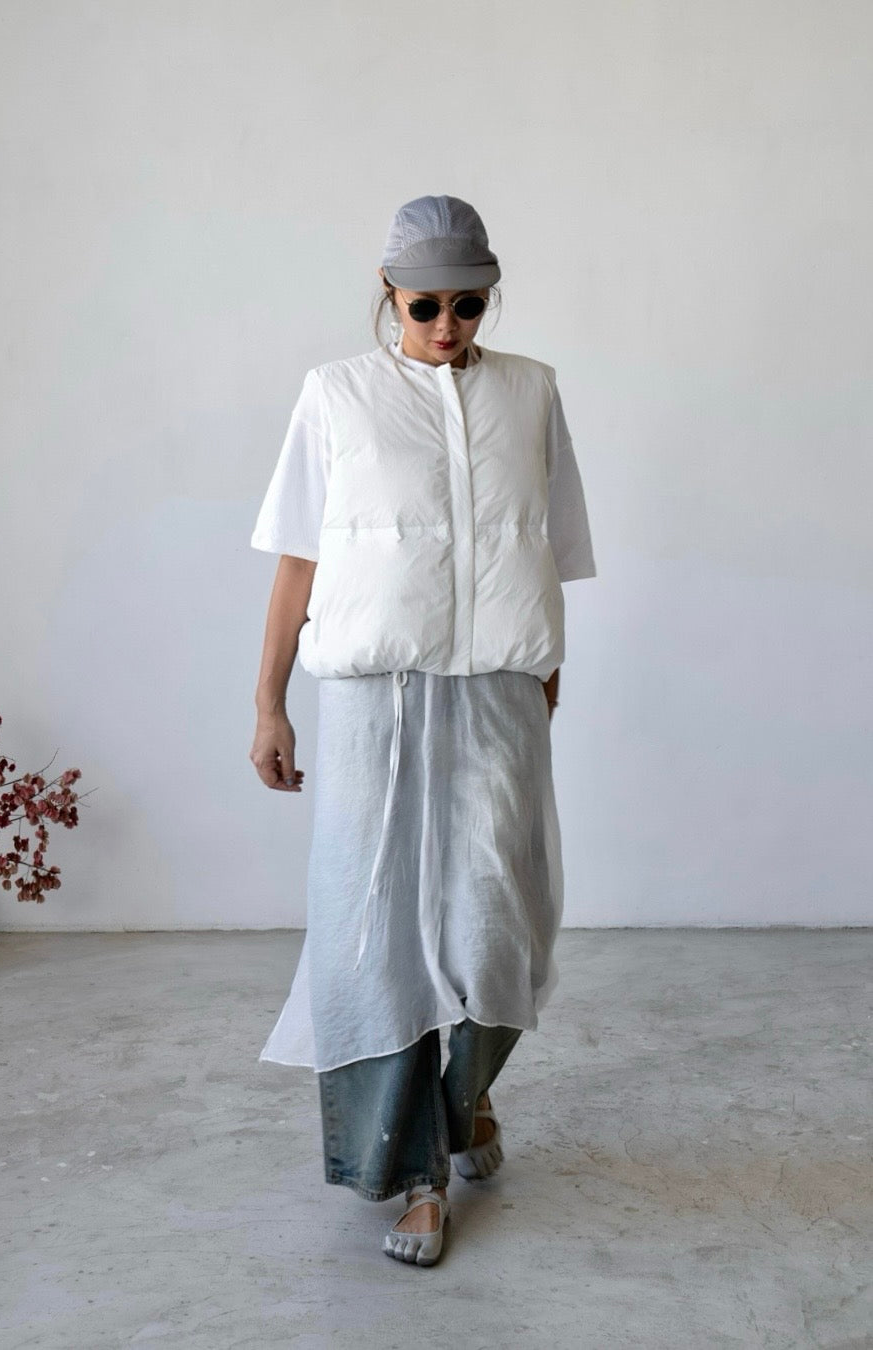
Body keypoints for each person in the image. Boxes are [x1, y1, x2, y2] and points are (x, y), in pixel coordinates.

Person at [249, 194, 596, 1266]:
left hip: (499, 690)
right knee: (374, 937)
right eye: (426, 304)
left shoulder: (530, 391)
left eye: (469, 304)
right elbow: (298, 558)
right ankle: (415, 1176)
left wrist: (545, 664)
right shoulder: (336, 395)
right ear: (389, 293)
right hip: (373, 697)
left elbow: (547, 543)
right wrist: (268, 702)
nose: (448, 325)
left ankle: (464, 1100)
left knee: (504, 923)